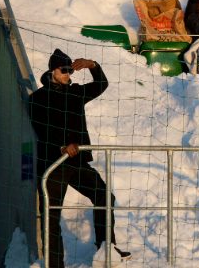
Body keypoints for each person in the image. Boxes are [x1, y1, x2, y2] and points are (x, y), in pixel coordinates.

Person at [28, 49, 131, 267]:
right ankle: (55, 264)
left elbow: (101, 85)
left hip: (77, 163)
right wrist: (61, 147)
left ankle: (107, 250)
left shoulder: (75, 93)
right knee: (52, 214)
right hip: (52, 164)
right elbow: (39, 129)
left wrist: (92, 65)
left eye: (69, 70)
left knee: (104, 197)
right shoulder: (37, 98)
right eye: (63, 70)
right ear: (52, 71)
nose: (68, 74)